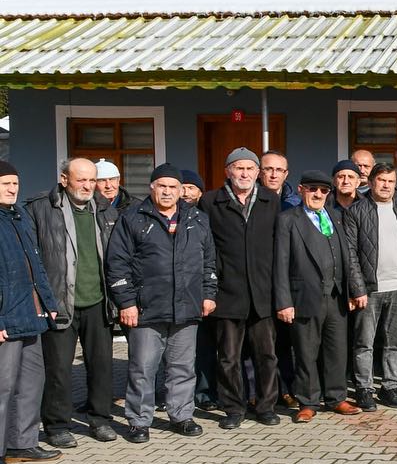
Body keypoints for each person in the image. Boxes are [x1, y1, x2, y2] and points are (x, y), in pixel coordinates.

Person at [106, 163, 217, 443]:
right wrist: (126, 302)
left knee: (182, 367)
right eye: (162, 186)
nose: (167, 192)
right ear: (152, 187)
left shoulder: (198, 219)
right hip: (146, 308)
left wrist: (208, 293)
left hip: (187, 306)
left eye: (173, 187)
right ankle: (139, 421)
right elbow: (117, 264)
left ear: (182, 190)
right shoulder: (133, 218)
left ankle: (181, 415)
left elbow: (209, 262)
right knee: (143, 368)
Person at [27, 159, 119, 447]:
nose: (88, 186)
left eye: (92, 181)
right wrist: (38, 300)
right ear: (64, 179)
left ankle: (100, 420)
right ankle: (57, 426)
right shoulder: (41, 208)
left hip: (97, 300)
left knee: (101, 365)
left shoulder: (105, 209)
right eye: (81, 180)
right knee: (59, 369)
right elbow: (31, 258)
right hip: (59, 301)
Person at [199, 147, 282, 429]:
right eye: (239, 168)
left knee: (267, 355)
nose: (244, 173)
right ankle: (234, 408)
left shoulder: (271, 200)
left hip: (263, 293)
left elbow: (278, 248)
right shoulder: (211, 202)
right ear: (228, 171)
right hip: (227, 293)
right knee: (229, 358)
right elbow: (205, 249)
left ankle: (266, 406)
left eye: (250, 168)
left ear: (257, 173)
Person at [273, 170, 366, 422]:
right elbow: (280, 263)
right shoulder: (288, 219)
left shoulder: (335, 216)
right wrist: (284, 301)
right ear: (302, 189)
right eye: (312, 189)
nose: (318, 194)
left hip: (336, 297)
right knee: (306, 352)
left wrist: (352, 289)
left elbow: (347, 256)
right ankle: (308, 401)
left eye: (323, 190)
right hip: (303, 297)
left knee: (337, 351)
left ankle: (336, 397)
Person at [0, 160, 62, 464]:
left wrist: (49, 302)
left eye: (14, 183)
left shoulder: (19, 215)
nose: (12, 189)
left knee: (30, 382)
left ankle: (21, 443)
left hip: (32, 314)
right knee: (3, 386)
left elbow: (36, 265)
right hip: (6, 318)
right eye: (5, 184)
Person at [346, 163, 397, 410]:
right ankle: (364, 388)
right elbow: (350, 253)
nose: (386, 185)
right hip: (369, 290)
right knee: (364, 343)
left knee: (395, 341)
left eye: (390, 181)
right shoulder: (356, 211)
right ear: (370, 182)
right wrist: (357, 288)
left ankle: (390, 386)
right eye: (381, 180)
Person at [328, 160, 362, 224]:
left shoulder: (367, 207)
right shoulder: (323, 205)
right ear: (334, 181)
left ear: (358, 182)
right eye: (341, 177)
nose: (346, 181)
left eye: (351, 177)